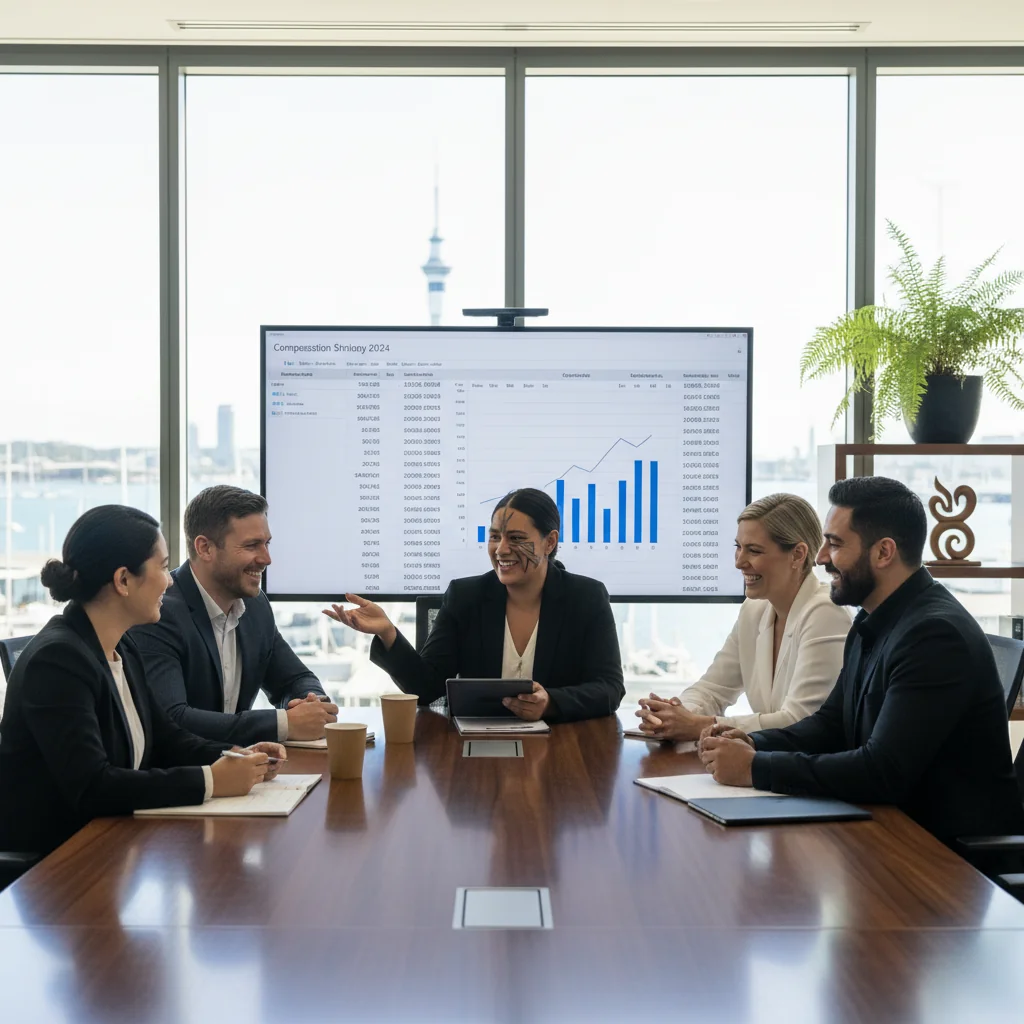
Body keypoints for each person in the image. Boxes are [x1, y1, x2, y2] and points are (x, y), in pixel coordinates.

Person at [698, 476, 1024, 851]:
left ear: (883, 552)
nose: (821, 558)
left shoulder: (934, 636)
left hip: (943, 857)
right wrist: (752, 742)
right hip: (888, 830)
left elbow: (882, 771)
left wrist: (755, 768)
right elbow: (833, 723)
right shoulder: (873, 619)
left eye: (834, 544)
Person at [0, 505, 281, 856]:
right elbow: (93, 786)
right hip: (58, 866)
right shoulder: (57, 661)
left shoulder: (122, 646)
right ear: (123, 580)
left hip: (114, 845)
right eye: (163, 567)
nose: (170, 579)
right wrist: (211, 780)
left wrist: (236, 757)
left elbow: (166, 738)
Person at [326, 487, 625, 722]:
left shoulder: (586, 598)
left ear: (549, 542)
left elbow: (610, 688)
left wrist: (551, 704)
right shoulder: (465, 596)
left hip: (562, 749)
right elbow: (426, 688)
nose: (501, 549)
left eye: (516, 538)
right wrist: (388, 632)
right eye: (494, 537)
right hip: (474, 752)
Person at [131, 486, 338, 746]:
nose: (267, 559)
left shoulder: (255, 607)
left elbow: (294, 679)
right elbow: (173, 719)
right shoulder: (160, 613)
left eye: (267, 543)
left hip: (244, 772)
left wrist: (312, 705)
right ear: (205, 548)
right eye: (252, 545)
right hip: (184, 779)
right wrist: (285, 723)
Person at [636, 493, 851, 741]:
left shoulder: (826, 612)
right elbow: (713, 688)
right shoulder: (754, 610)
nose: (739, 562)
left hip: (809, 769)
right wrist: (675, 712)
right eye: (738, 547)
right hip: (770, 760)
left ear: (798, 554)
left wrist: (699, 725)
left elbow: (801, 720)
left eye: (754, 551)